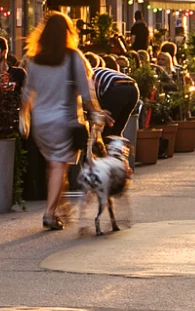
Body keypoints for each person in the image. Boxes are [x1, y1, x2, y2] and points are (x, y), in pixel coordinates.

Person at [20, 12, 100, 232]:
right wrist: (96, 111)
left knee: (53, 165)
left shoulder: (35, 60)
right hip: (63, 120)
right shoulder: (72, 57)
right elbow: (85, 93)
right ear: (68, 33)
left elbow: (27, 93)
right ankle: (49, 212)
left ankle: (59, 206)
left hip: (40, 123)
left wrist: (24, 116)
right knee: (58, 165)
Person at [92, 57, 141, 147]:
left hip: (116, 88)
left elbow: (88, 101)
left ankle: (104, 158)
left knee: (104, 133)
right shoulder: (95, 71)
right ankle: (118, 157)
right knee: (116, 132)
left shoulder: (84, 76)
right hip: (133, 87)